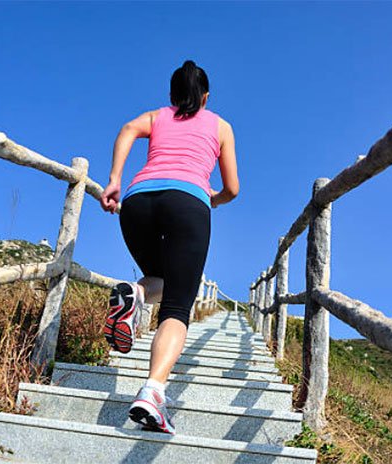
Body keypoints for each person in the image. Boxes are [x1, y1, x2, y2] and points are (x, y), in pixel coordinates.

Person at [99, 60, 239, 434]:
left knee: (161, 277)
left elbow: (128, 128)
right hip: (188, 203)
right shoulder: (221, 126)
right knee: (178, 305)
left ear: (171, 95)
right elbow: (232, 188)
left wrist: (114, 180)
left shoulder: (158, 116)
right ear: (205, 97)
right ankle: (152, 391)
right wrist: (213, 198)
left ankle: (135, 293)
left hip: (138, 201)